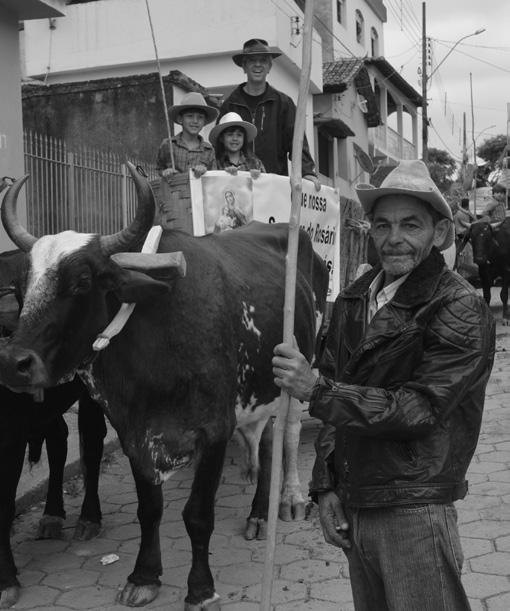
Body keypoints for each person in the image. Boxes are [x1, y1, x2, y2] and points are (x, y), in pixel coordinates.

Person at [271, 159, 496, 611]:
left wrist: (317, 391)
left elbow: (421, 409)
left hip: (414, 506)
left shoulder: (459, 307)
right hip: (357, 501)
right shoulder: (355, 298)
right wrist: (328, 487)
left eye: (410, 225)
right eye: (383, 225)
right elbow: (337, 391)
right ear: (370, 231)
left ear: (439, 233)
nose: (394, 238)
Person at [218, 38, 320, 189]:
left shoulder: (284, 104)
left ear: (269, 67)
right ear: (244, 66)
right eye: (252, 60)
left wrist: (306, 172)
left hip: (275, 187)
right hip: (237, 188)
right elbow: (219, 148)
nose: (258, 64)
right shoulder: (229, 105)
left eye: (263, 60)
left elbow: (296, 143)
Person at [156, 91, 218, 179]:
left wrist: (205, 172)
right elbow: (158, 170)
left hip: (198, 192)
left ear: (204, 122)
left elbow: (213, 178)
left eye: (200, 117)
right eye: (190, 116)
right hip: (174, 192)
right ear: (180, 119)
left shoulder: (209, 150)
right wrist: (164, 172)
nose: (195, 121)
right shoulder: (168, 144)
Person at [209, 112, 265, 179]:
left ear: (244, 138)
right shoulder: (214, 162)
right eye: (230, 134)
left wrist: (259, 178)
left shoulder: (255, 163)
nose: (235, 139)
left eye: (239, 135)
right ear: (221, 138)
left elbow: (265, 185)